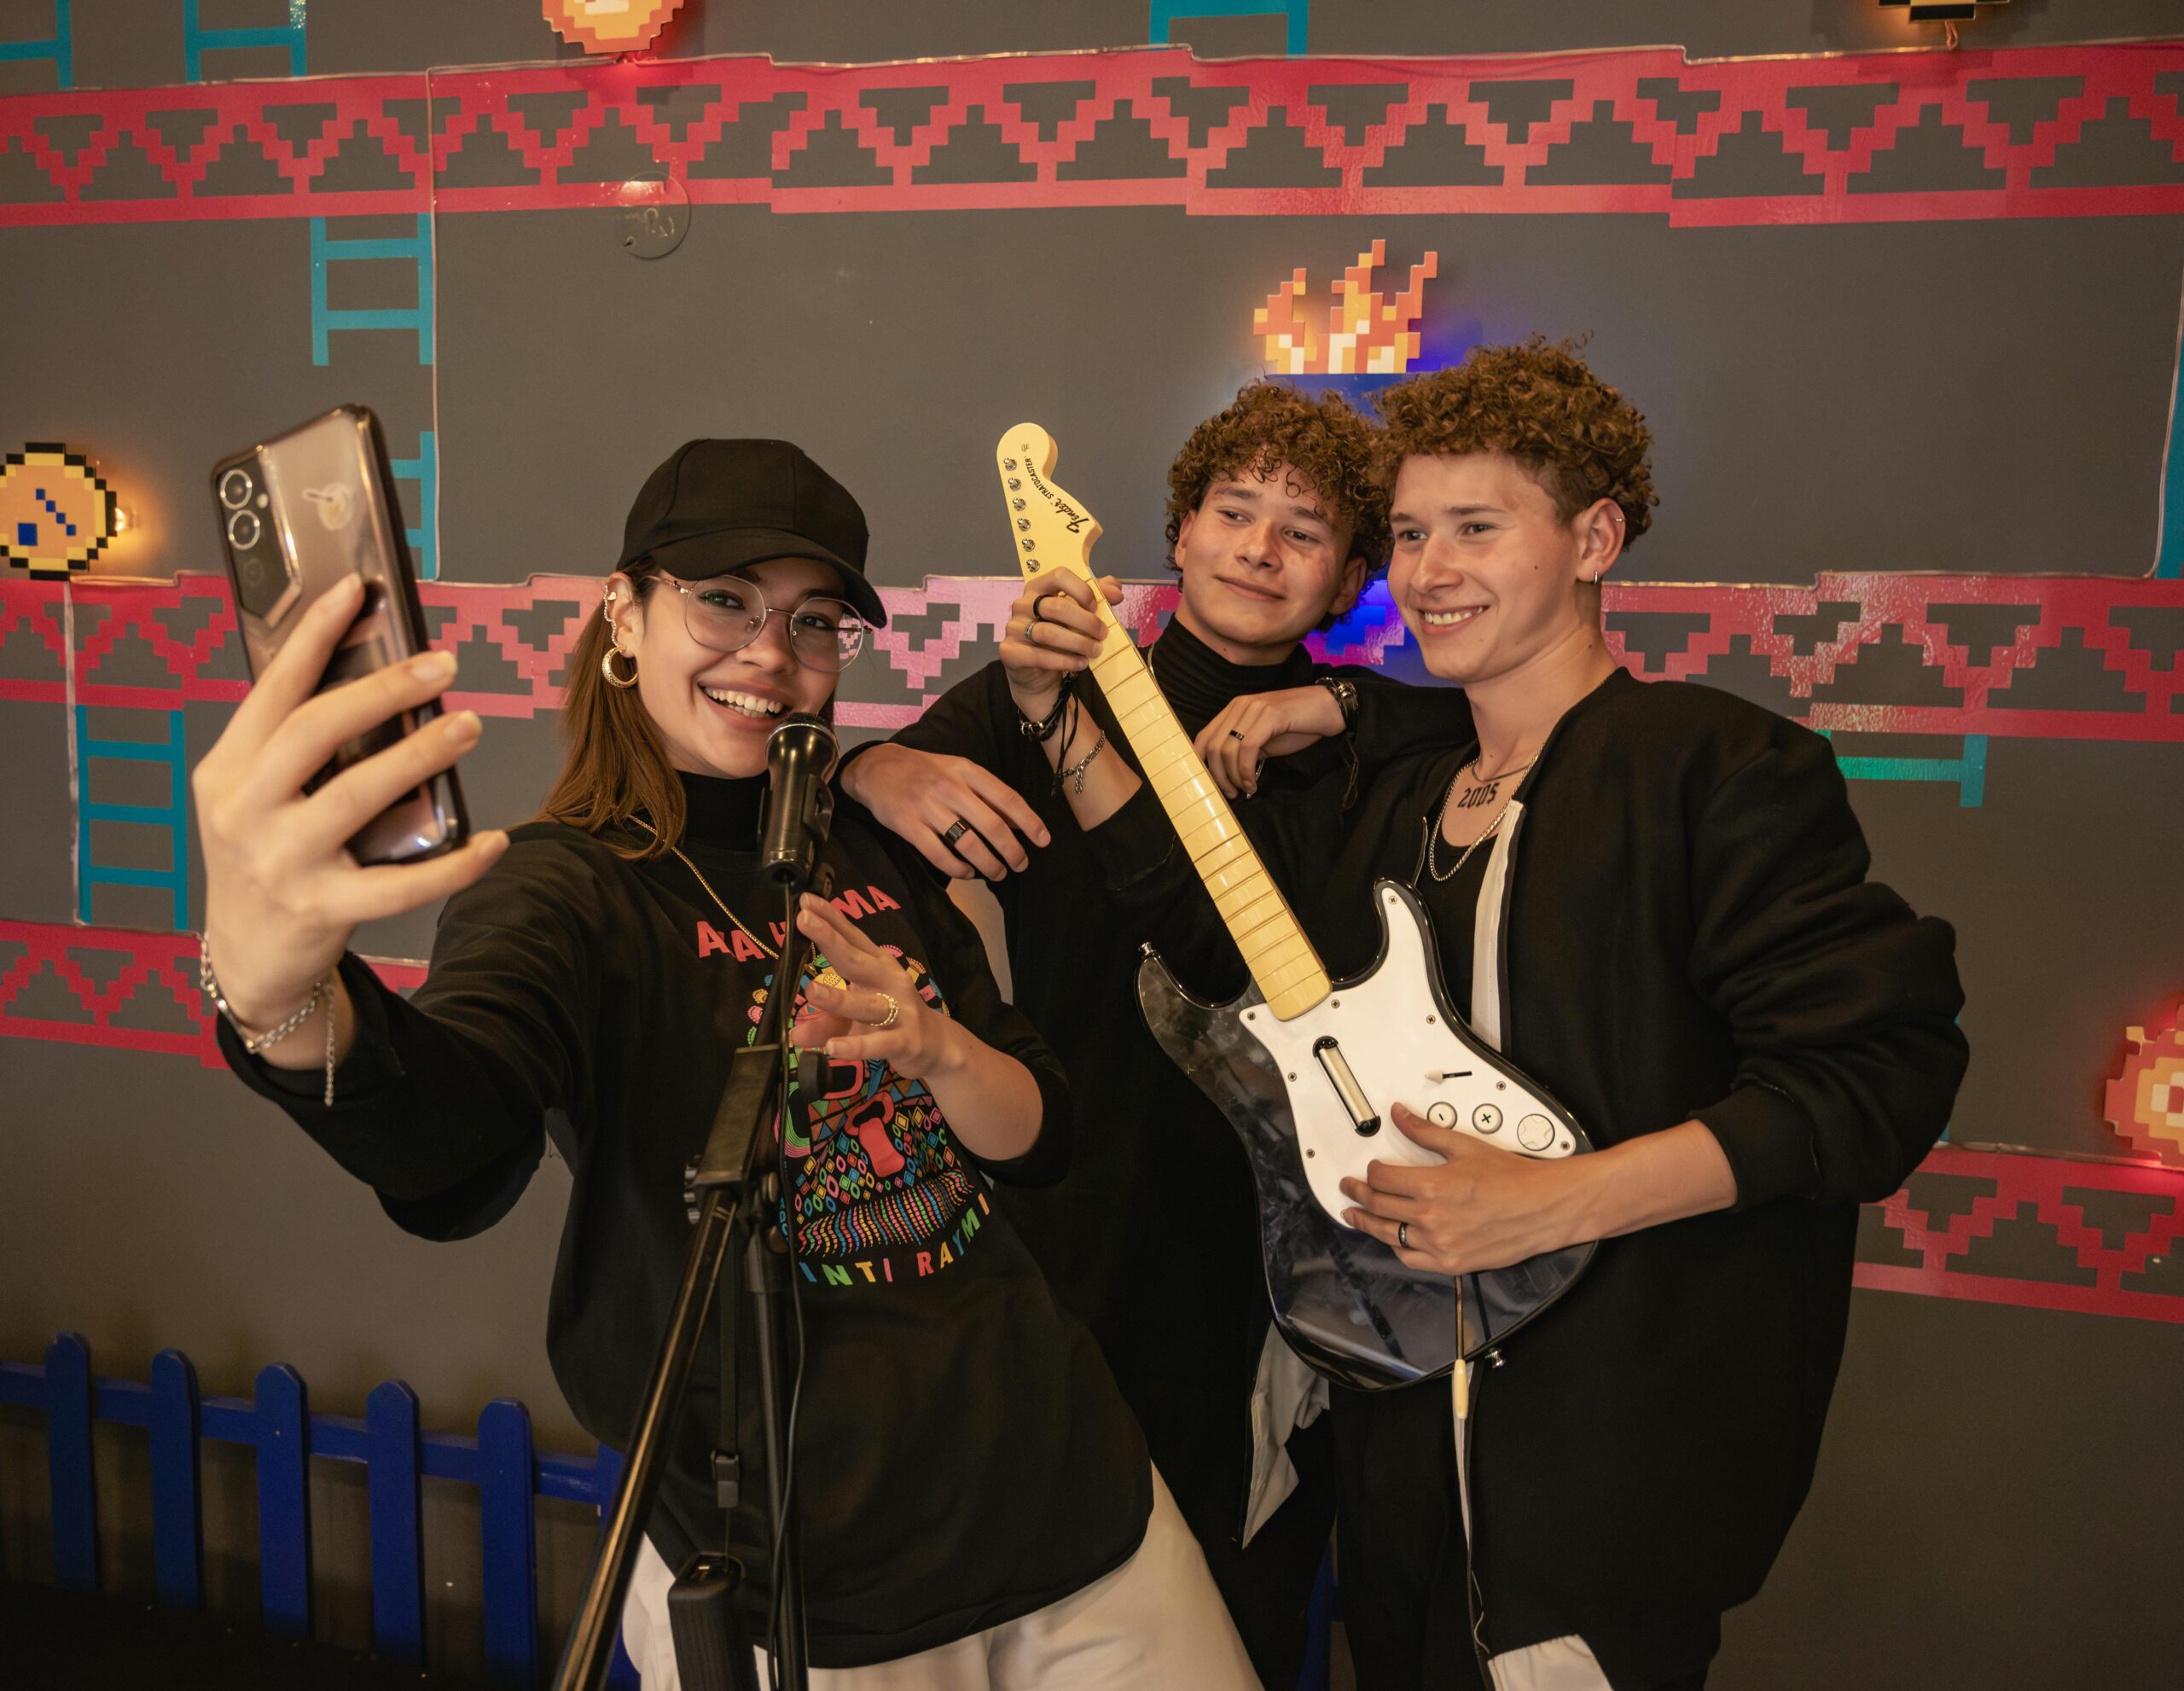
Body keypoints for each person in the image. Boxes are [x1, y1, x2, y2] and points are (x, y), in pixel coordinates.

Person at [189, 439, 1258, 1690]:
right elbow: (449, 1138)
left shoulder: (869, 837)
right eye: (723, 601)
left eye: (813, 620)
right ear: (622, 615)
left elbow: (1041, 1135)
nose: (771, 654)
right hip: (809, 1581)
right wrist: (276, 995)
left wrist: (937, 1048)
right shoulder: (564, 888)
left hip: (1083, 1510)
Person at [1021, 341, 1970, 1690]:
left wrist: (1559, 1197)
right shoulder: (1409, 801)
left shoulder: (1714, 768)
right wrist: (1068, 721)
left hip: (1602, 1479)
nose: (1431, 568)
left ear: (1594, 538)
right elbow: (1228, 955)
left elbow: (1879, 1073)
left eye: (1477, 527)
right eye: (1409, 533)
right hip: (1393, 1459)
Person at [839, 382, 1471, 1688]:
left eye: (1305, 530)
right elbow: (838, 823)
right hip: (1066, 1210)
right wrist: (864, 766)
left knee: (1232, 1620)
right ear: (1176, 532)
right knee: (1040, 1602)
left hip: (1270, 1262)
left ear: (1354, 575)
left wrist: (1339, 707)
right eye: (1233, 511)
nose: (1259, 546)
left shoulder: (1363, 752)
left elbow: (1487, 724)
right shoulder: (1037, 687)